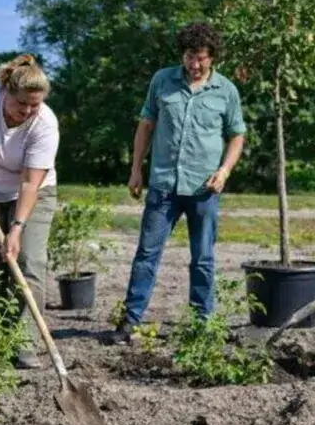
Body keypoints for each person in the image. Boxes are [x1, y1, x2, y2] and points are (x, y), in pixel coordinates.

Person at [105, 22, 246, 345]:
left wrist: (224, 170)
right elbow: (146, 125)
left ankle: (202, 325)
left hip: (204, 190)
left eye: (200, 58)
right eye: (189, 56)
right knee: (146, 254)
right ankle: (129, 321)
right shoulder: (162, 81)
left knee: (203, 258)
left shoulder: (225, 91)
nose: (194, 65)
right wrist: (136, 169)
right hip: (163, 185)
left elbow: (237, 135)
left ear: (212, 58)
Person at [0, 54, 59, 370]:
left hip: (32, 193)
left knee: (29, 262)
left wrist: (16, 228)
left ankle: (23, 343)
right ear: (5, 91)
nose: (29, 111)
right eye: (23, 104)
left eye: (36, 105)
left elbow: (32, 184)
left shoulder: (45, 123)